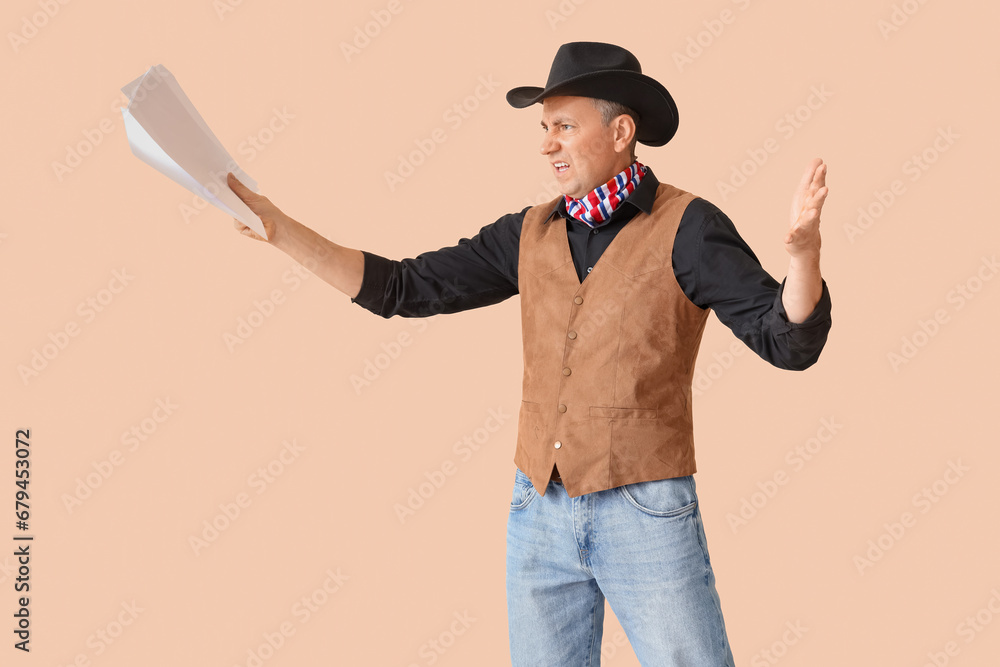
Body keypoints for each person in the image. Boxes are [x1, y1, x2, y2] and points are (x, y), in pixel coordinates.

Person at [226, 41, 831, 667]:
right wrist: (280, 230)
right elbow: (402, 288)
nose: (547, 145)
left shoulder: (690, 228)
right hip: (538, 507)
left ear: (621, 131)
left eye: (563, 126)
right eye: (544, 128)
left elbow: (787, 341)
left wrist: (803, 258)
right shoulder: (527, 233)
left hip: (644, 509)